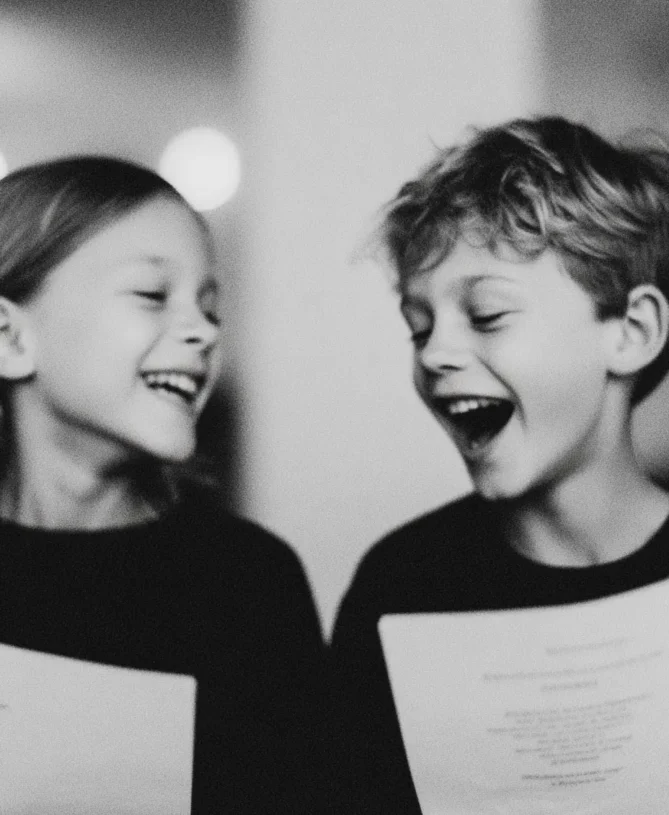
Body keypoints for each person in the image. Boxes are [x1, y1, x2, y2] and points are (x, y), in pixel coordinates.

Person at [330, 115, 669, 814]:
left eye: (484, 315)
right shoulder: (398, 585)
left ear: (631, 333)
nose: (432, 354)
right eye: (417, 326)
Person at [0, 155, 330, 814]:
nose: (203, 331)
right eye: (152, 295)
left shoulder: (250, 584)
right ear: (10, 337)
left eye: (210, 307)